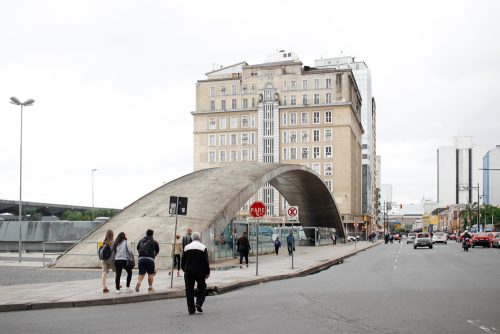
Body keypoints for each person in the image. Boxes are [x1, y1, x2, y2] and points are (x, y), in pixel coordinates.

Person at [181, 232, 210, 315]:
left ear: (191, 238)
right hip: (200, 272)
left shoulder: (186, 247)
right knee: (202, 287)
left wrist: (184, 269)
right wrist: (207, 272)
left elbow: (183, 261)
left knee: (189, 289)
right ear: (199, 238)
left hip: (189, 272)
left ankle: (191, 309)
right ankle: (199, 303)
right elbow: (206, 261)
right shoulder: (203, 247)